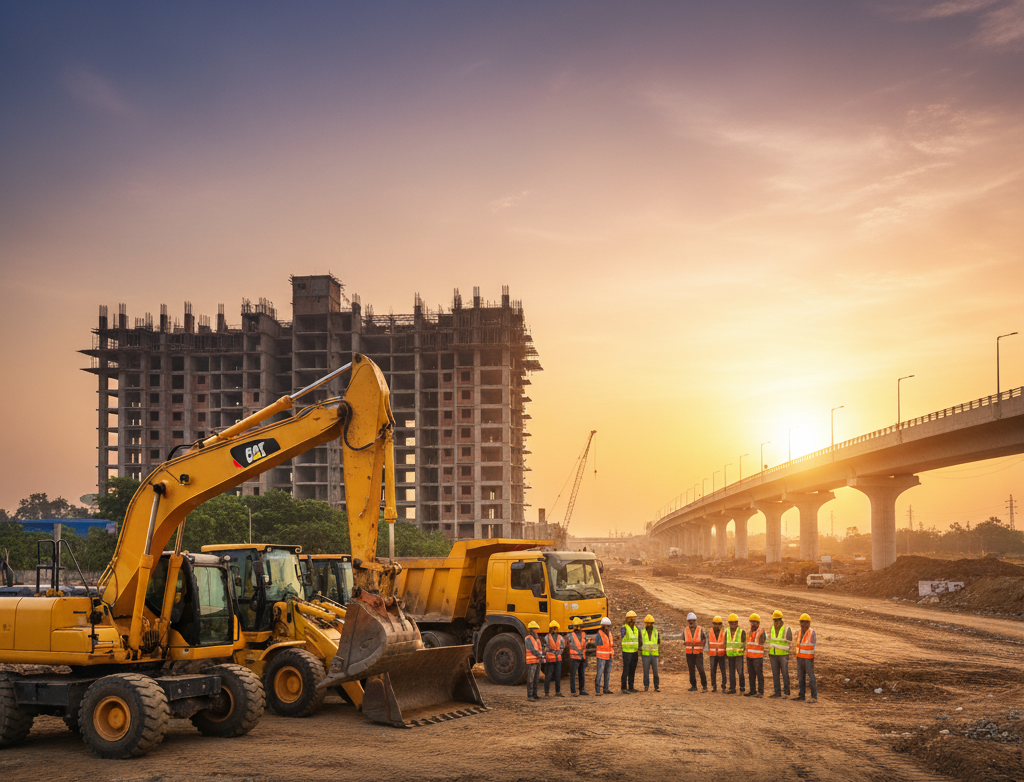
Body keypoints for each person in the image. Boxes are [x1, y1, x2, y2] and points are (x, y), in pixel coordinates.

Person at [768, 610, 793, 699]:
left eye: (777, 620)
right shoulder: (772, 628)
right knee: (775, 674)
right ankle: (777, 692)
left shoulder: (787, 629)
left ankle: (786, 692)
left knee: (785, 673)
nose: (776, 622)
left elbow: (790, 641)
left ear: (781, 620)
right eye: (774, 620)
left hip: (783, 655)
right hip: (773, 654)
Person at [795, 613, 817, 703]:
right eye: (801, 622)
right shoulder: (799, 632)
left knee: (811, 676)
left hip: (808, 658)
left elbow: (814, 645)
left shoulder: (812, 632)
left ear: (809, 623)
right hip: (800, 657)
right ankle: (801, 695)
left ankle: (814, 697)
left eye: (805, 622)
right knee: (800, 677)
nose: (803, 624)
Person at [683, 612, 708, 692]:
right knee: (691, 670)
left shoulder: (700, 629)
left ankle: (704, 686)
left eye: (693, 620)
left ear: (695, 620)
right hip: (689, 653)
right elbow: (685, 639)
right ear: (687, 621)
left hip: (698, 653)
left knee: (700, 669)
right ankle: (693, 686)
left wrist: (702, 648)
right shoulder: (686, 629)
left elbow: (704, 639)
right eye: (690, 621)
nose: (691, 622)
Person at [744, 613, 766, 698]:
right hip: (749, 657)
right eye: (751, 622)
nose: (753, 624)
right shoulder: (749, 632)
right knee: (751, 674)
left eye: (755, 622)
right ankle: (752, 691)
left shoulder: (761, 632)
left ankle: (760, 692)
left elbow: (762, 641)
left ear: (758, 623)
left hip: (757, 657)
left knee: (759, 674)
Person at [725, 613, 746, 694]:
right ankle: (732, 688)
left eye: (735, 623)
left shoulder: (741, 632)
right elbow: (725, 642)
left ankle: (742, 687)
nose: (733, 624)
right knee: (731, 672)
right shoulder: (727, 632)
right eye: (731, 623)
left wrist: (740, 651)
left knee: (740, 671)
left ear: (737, 623)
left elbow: (744, 644)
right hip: (730, 655)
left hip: (738, 655)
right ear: (729, 623)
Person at [543, 619, 566, 697]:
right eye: (553, 628)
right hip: (550, 660)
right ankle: (547, 693)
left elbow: (562, 647)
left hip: (557, 659)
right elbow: (545, 648)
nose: (554, 630)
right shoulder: (547, 637)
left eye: (555, 628)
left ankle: (557, 692)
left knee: (557, 676)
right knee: (548, 676)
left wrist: (558, 653)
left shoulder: (560, 638)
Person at [568, 617, 589, 696]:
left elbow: (585, 645)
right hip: (574, 658)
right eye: (576, 626)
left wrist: (585, 658)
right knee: (573, 675)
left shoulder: (583, 634)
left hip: (582, 657)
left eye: (578, 626)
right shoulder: (570, 635)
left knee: (582, 674)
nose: (577, 628)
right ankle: (573, 691)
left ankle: (582, 690)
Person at [620, 610, 640, 693]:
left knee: (632, 670)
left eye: (634, 618)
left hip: (634, 652)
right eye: (630, 618)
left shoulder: (636, 628)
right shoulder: (624, 628)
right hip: (627, 652)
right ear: (627, 619)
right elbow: (622, 636)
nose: (632, 620)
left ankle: (631, 687)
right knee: (626, 670)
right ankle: (623, 688)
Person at [707, 616, 728, 692]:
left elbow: (726, 643)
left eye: (718, 624)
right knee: (713, 670)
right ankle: (714, 686)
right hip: (712, 654)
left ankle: (724, 686)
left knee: (723, 671)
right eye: (715, 624)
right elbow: (708, 642)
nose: (716, 625)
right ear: (713, 624)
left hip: (721, 654)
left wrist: (726, 653)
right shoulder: (710, 631)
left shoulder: (724, 632)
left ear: (721, 624)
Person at [640, 614, 660, 692]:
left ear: (652, 623)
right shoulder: (642, 632)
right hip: (645, 655)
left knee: (656, 671)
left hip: (654, 655)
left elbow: (659, 642)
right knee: (646, 672)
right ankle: (646, 686)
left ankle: (656, 686)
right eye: (647, 623)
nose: (649, 625)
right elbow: (640, 643)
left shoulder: (656, 632)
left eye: (650, 623)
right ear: (645, 623)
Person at [595, 617, 614, 695]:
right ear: (603, 626)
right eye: (607, 626)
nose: (608, 627)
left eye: (609, 626)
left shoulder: (609, 633)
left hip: (609, 656)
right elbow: (598, 644)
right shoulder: (599, 634)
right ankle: (598, 689)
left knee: (607, 673)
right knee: (599, 673)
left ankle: (606, 689)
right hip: (601, 657)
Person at [524, 621, 543, 702]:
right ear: (532, 629)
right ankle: (530, 696)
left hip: (537, 660)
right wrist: (540, 655)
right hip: (532, 661)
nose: (537, 631)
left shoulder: (537, 638)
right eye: (536, 629)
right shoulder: (528, 638)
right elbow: (532, 649)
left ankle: (535, 695)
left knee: (535, 679)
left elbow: (539, 648)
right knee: (531, 679)